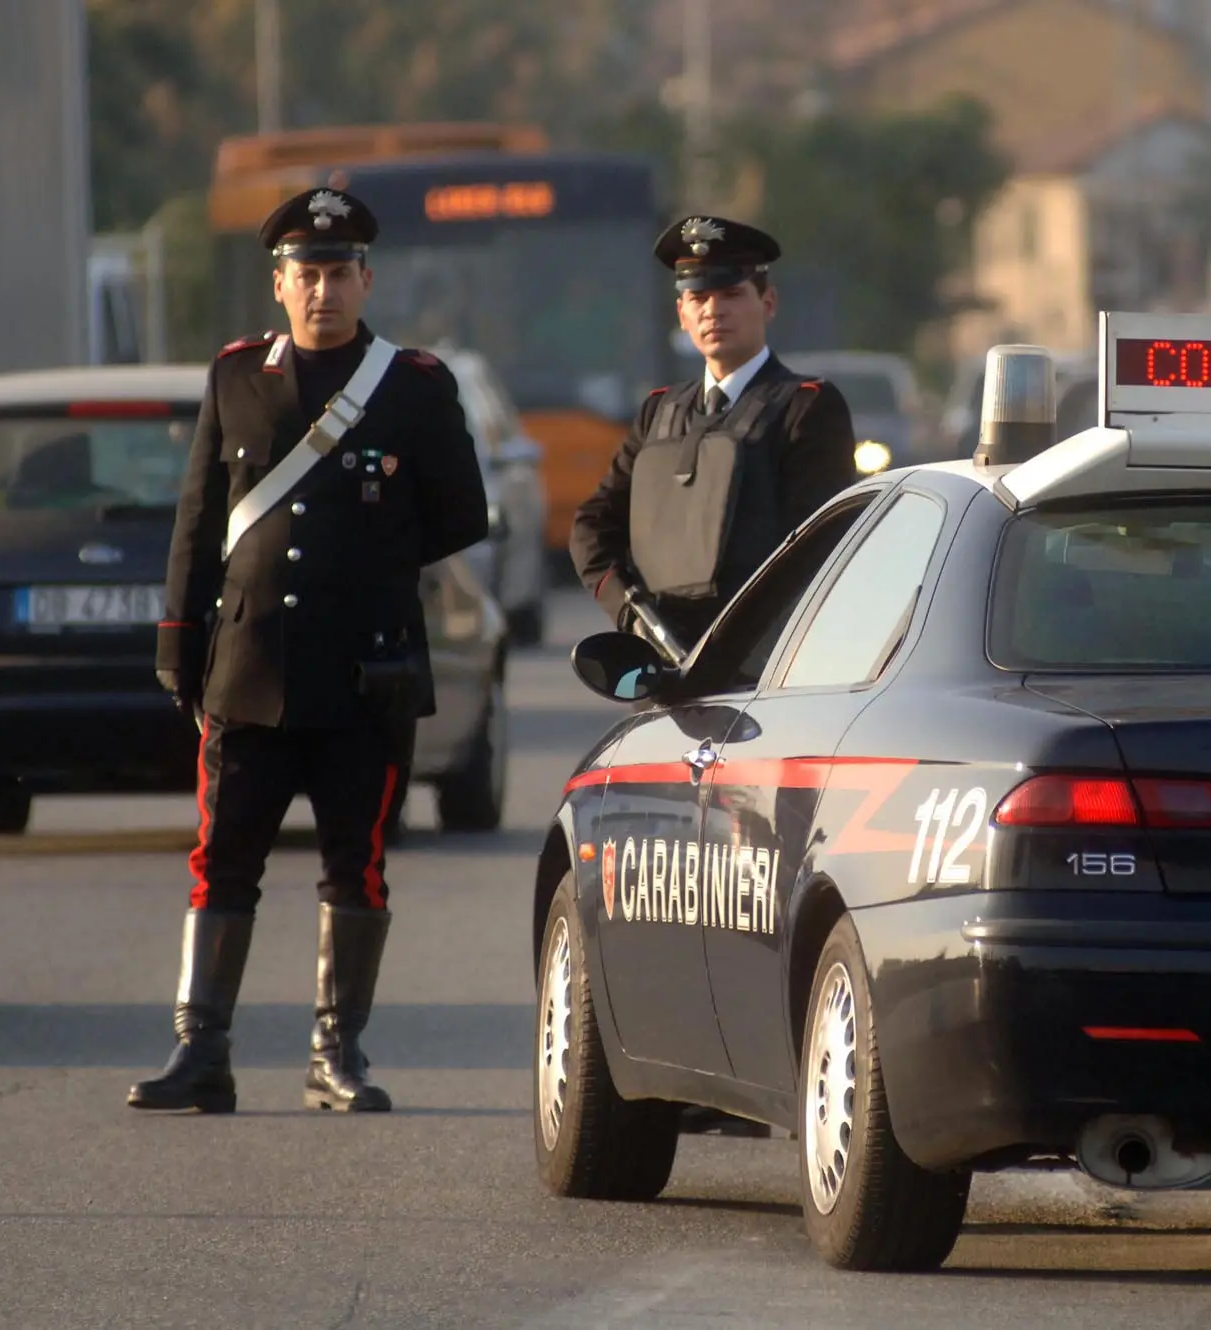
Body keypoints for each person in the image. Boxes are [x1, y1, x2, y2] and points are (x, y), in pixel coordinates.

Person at [129, 186, 490, 1115]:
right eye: (305, 274)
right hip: (248, 668)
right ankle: (200, 1053)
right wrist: (181, 640)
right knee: (223, 860)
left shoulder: (414, 386)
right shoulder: (236, 377)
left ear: (366, 280)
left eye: (338, 272)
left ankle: (338, 1056)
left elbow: (461, 516)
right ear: (278, 285)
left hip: (364, 674)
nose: (322, 290)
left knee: (354, 865)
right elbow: (200, 518)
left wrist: (362, 562)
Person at [569, 216, 858, 651]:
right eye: (698, 297)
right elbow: (592, 525)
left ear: (769, 303)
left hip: (764, 663)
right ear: (681, 314)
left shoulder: (806, 406)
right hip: (664, 663)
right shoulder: (659, 411)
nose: (713, 310)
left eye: (731, 294)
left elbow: (817, 548)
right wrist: (631, 614)